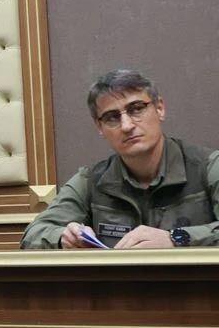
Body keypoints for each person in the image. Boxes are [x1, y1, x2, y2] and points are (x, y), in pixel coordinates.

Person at [21, 69, 219, 249]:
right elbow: (32, 235)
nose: (126, 126)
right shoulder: (91, 181)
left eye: (137, 109)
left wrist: (176, 238)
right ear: (100, 127)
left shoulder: (208, 166)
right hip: (118, 279)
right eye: (112, 117)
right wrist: (62, 237)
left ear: (159, 108)